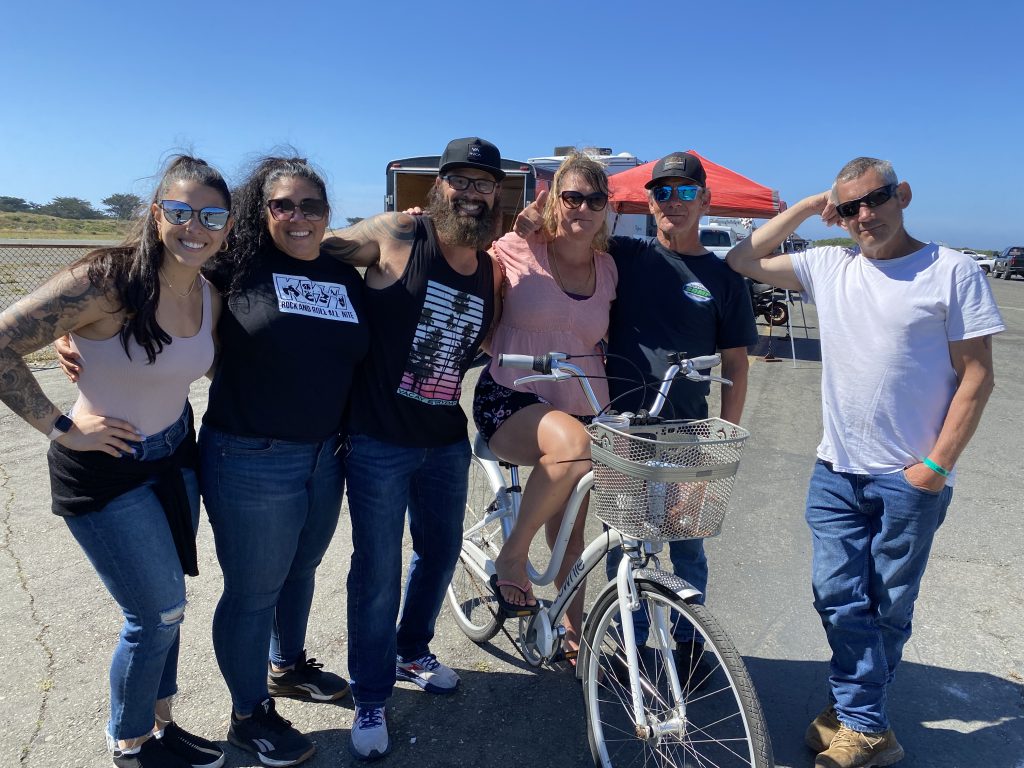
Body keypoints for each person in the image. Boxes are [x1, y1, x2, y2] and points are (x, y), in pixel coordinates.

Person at [57, 155, 368, 768]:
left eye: (312, 206)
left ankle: (287, 665)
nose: (298, 216)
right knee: (254, 591)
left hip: (325, 456)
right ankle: (250, 713)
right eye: (284, 205)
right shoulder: (234, 264)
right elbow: (140, 276)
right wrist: (71, 334)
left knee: (300, 571)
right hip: (252, 458)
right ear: (261, 213)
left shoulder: (343, 273)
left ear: (328, 215)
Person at [726, 156, 1004, 768]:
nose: (863, 216)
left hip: (910, 477)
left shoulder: (950, 271)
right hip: (836, 471)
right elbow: (741, 260)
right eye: (848, 207)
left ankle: (858, 720)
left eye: (874, 199)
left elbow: (977, 376)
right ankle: (865, 718)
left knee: (886, 605)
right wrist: (804, 207)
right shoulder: (830, 264)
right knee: (837, 595)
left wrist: (936, 465)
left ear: (902, 194)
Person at [0, 156, 232, 768]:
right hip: (105, 468)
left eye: (212, 215)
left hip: (175, 456)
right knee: (153, 613)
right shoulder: (107, 281)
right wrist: (60, 427)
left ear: (228, 225)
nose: (196, 227)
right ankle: (128, 743)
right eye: (181, 212)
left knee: (171, 604)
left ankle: (162, 727)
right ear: (158, 215)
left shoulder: (208, 291)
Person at [515, 151, 757, 678]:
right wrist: (535, 219)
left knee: (688, 548)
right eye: (664, 192)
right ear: (649, 202)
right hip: (620, 427)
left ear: (705, 200)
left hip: (689, 434)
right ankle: (633, 643)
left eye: (687, 192)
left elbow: (736, 364)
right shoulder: (623, 254)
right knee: (627, 542)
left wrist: (726, 436)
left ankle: (692, 644)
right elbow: (566, 243)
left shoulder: (724, 278)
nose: (675, 202)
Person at [320, 137, 504, 761]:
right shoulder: (397, 233)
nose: (472, 192)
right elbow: (310, 247)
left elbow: (483, 339)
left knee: (442, 551)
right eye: (461, 180)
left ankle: (412, 650)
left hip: (444, 439)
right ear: (438, 186)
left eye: (484, 182)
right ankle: (369, 692)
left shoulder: (488, 263)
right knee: (376, 571)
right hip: (376, 439)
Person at [476, 153, 617, 665]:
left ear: (607, 208)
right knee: (573, 447)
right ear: (553, 200)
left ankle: (576, 632)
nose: (582, 207)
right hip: (510, 394)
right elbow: (469, 291)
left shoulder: (608, 268)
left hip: (582, 403)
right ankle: (511, 558)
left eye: (593, 199)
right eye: (572, 196)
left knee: (573, 533)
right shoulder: (515, 248)